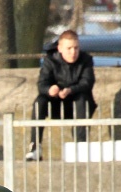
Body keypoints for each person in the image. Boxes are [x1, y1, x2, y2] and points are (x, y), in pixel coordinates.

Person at [25, 30, 97, 162]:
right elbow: (42, 84)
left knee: (83, 99)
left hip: (77, 104)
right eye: (69, 48)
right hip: (55, 104)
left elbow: (87, 82)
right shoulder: (50, 60)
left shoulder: (86, 59)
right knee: (39, 101)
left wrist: (70, 90)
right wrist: (49, 89)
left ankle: (80, 145)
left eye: (76, 48)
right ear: (60, 48)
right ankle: (35, 147)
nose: (73, 52)